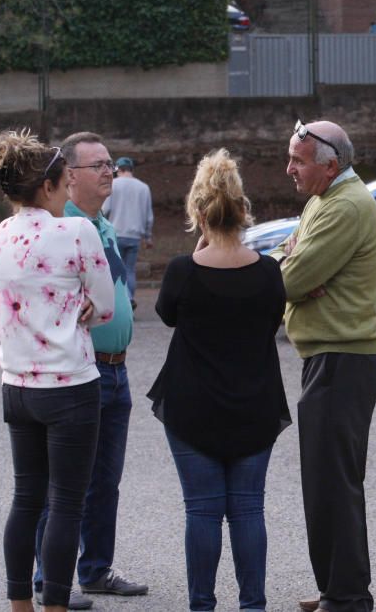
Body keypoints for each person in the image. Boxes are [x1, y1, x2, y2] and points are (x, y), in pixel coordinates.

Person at [149, 149, 291, 612]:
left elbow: (167, 316)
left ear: (197, 210)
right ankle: (253, 605)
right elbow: (272, 319)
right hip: (255, 402)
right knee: (249, 509)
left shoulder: (181, 272)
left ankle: (202, 606)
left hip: (192, 406)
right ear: (243, 210)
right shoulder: (269, 271)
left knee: (202, 510)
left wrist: (198, 253)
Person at [0, 130, 115, 612]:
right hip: (70, 385)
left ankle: (20, 603)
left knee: (27, 499)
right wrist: (81, 302)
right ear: (48, 187)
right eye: (64, 184)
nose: (68, 193)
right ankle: (56, 606)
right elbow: (104, 306)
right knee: (66, 503)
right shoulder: (77, 231)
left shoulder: (3, 232)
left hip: (17, 384)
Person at [270, 120, 376, 612]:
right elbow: (286, 261)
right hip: (330, 355)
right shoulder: (324, 200)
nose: (288, 169)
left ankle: (347, 597)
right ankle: (336, 590)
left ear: (329, 164)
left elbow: (291, 279)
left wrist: (295, 269)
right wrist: (292, 263)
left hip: (343, 357)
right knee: (325, 482)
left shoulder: (344, 205)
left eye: (298, 160)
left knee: (332, 482)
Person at [33, 132, 148, 609]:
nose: (108, 172)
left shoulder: (101, 223)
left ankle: (96, 569)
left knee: (105, 479)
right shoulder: (60, 226)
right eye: (97, 165)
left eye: (108, 164)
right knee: (62, 482)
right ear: (69, 176)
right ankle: (46, 577)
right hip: (80, 371)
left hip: (115, 371)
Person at [102, 156, 153, 310]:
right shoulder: (144, 187)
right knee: (130, 269)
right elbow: (148, 216)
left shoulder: (113, 185)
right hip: (134, 236)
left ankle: (124, 300)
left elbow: (105, 210)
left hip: (115, 234)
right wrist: (148, 236)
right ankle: (130, 297)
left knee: (115, 268)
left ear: (119, 169)